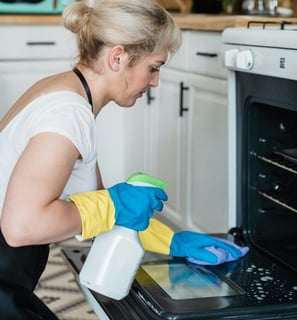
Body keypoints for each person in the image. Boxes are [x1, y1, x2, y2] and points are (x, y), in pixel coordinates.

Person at [0, 0, 244, 319]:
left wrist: (170, 240)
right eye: (153, 68)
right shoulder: (67, 114)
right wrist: (115, 204)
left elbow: (92, 205)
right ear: (118, 57)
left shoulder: (65, 93)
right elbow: (21, 226)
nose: (155, 81)